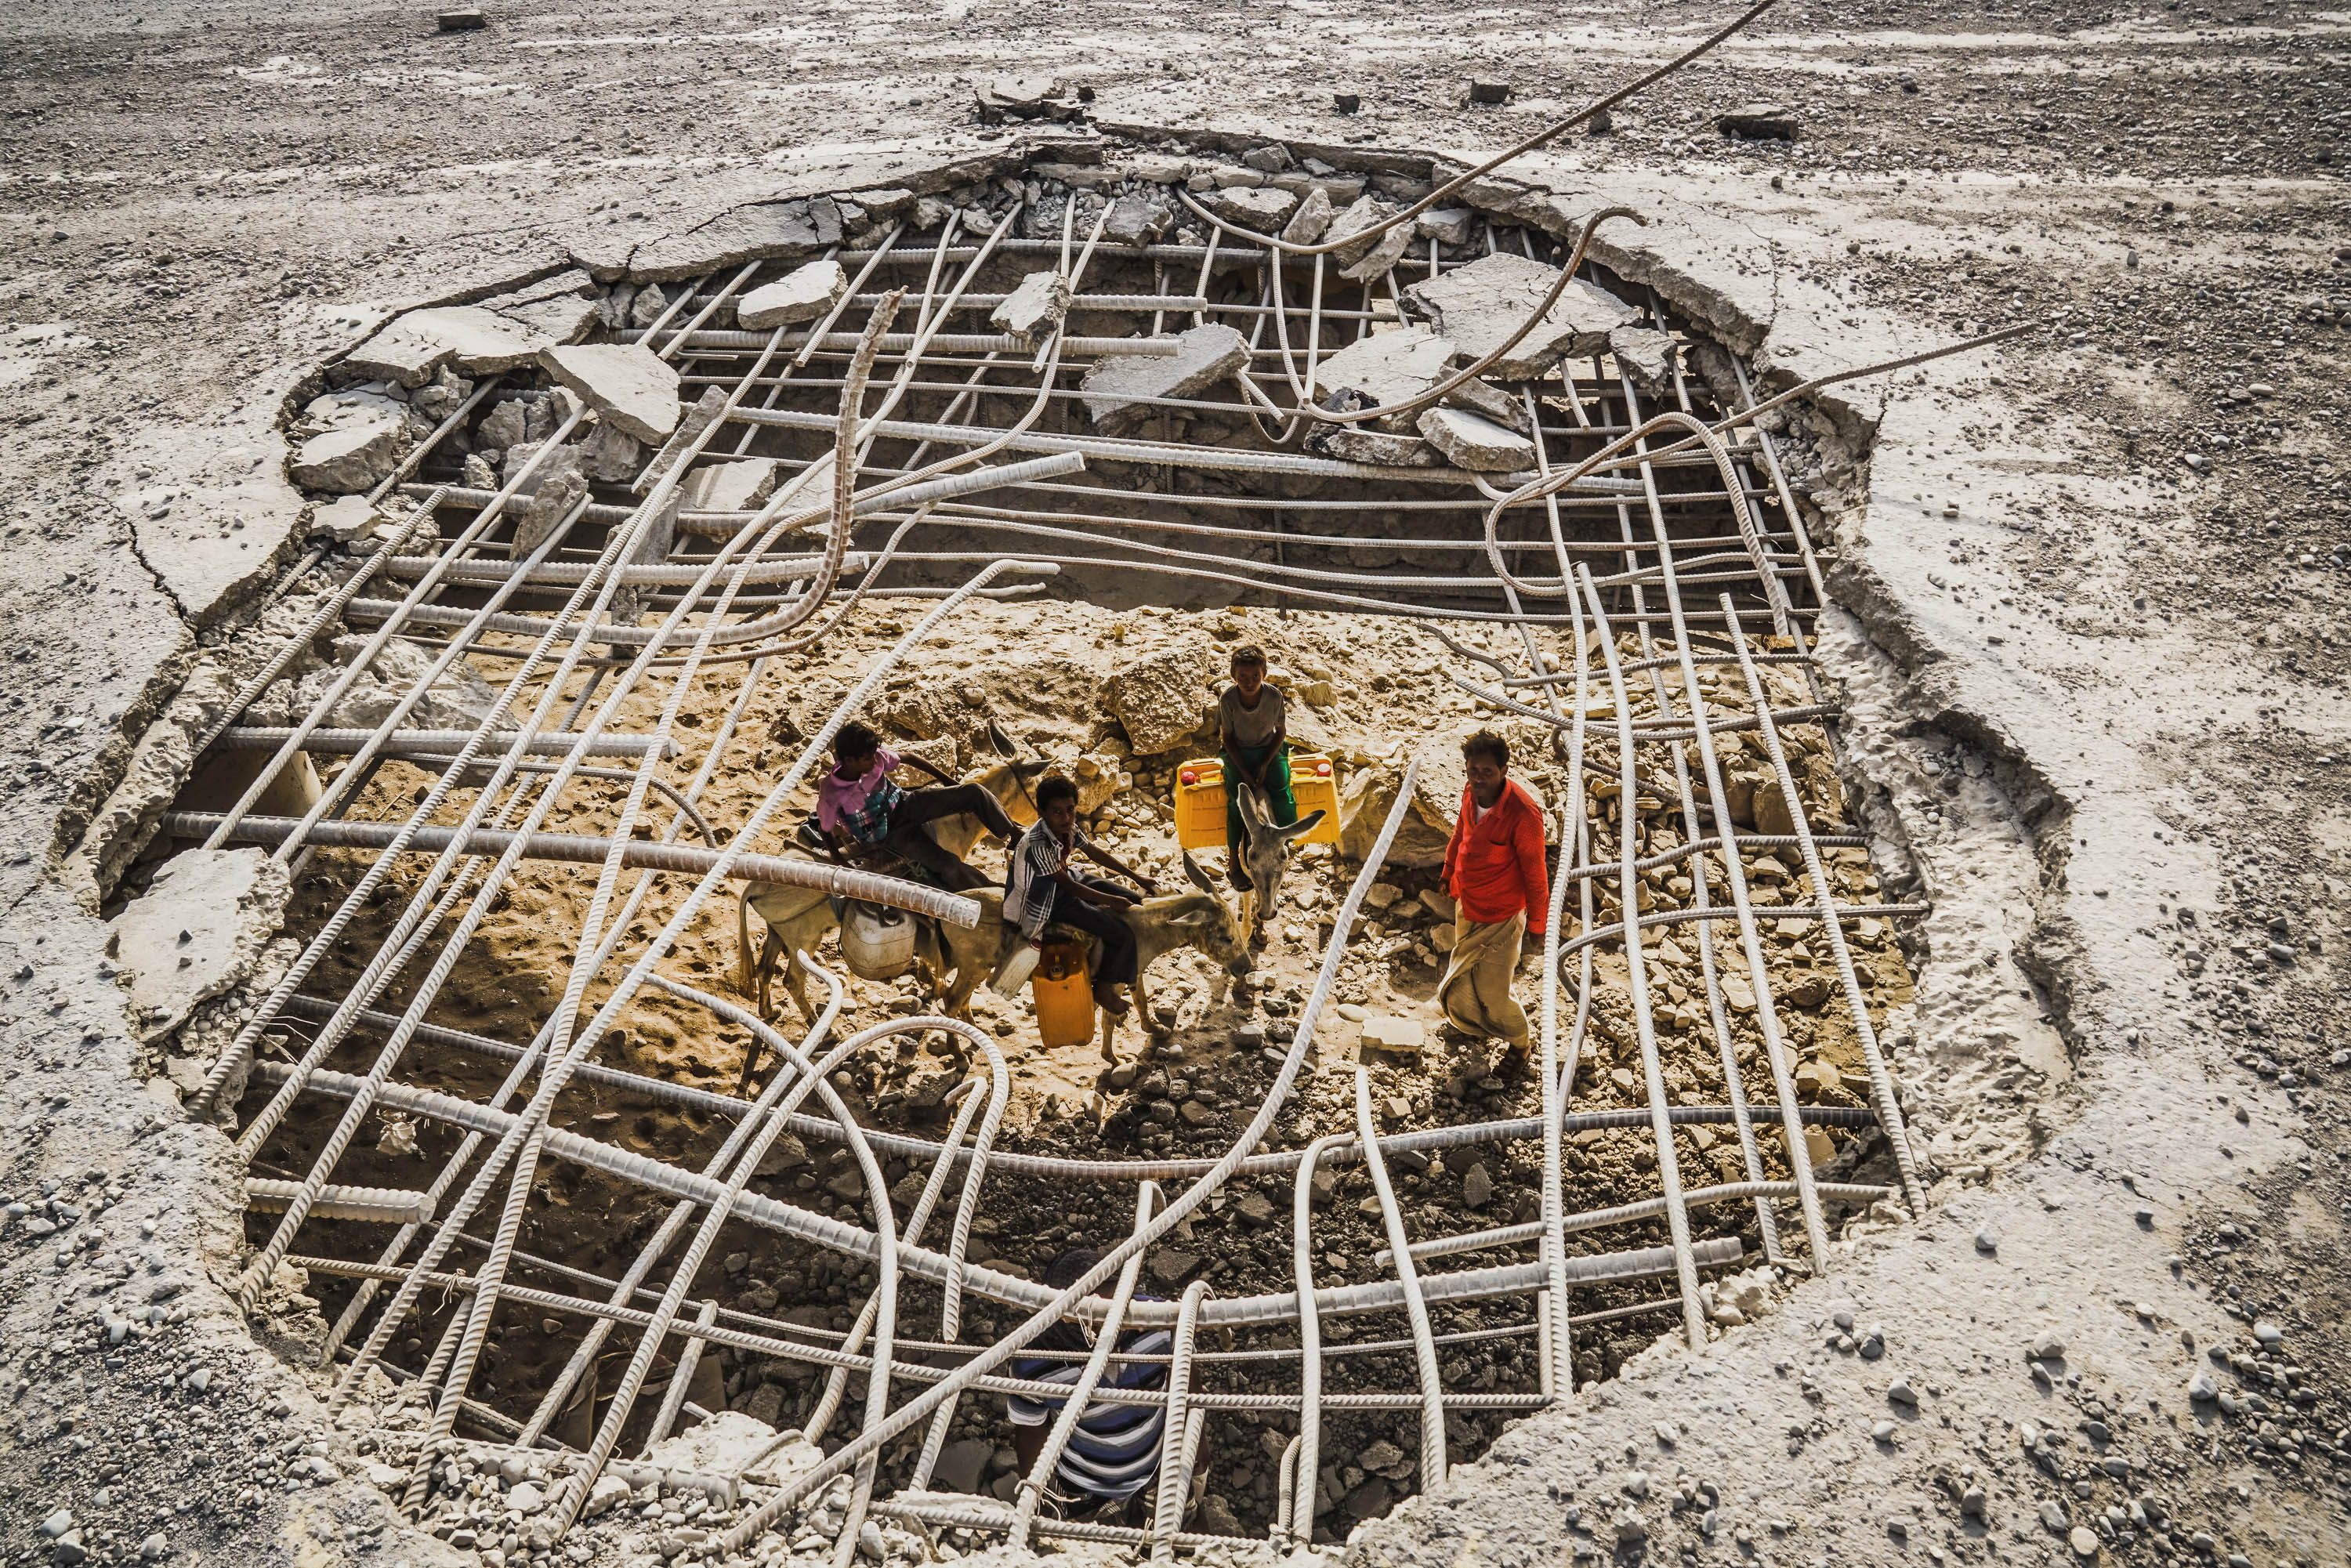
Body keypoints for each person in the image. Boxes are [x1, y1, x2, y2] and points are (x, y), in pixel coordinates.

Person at [1006, 1248, 1197, 1522]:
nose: (1108, 1326)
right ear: (1061, 1315)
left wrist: (1195, 1443)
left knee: (1185, 1535)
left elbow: (1187, 1368)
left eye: (1113, 1306)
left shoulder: (1156, 1322)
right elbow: (1030, 1433)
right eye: (1089, 1315)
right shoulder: (1036, 1364)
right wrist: (1038, 1496)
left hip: (1155, 1469)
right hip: (1080, 1484)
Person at [1437, 729, 1550, 1076]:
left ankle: (1520, 1044)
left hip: (1501, 916)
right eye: (1473, 771)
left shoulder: (1523, 813)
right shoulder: (1470, 794)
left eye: (1487, 772)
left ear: (1503, 770)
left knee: (1495, 991)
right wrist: (1447, 872)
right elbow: (1461, 833)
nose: (1479, 779)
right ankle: (1476, 1027)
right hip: (1468, 903)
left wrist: (1537, 927)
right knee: (1465, 975)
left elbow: (1536, 875)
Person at [1003, 774, 1158, 1016]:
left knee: (1136, 901)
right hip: (1046, 899)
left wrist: (1137, 878)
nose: (1066, 818)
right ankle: (1104, 990)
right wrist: (1110, 902)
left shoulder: (1068, 828)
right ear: (1041, 813)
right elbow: (1069, 888)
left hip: (1066, 880)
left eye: (1070, 810)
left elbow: (1094, 852)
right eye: (1057, 812)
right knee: (1122, 934)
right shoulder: (1037, 844)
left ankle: (1126, 965)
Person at [814, 722, 1019, 893]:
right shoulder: (831, 791)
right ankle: (985, 891)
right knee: (948, 865)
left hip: (905, 802)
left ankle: (1015, 834)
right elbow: (825, 830)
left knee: (973, 791)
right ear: (849, 760)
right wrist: (840, 862)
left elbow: (910, 758)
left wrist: (950, 782)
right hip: (888, 833)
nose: (874, 759)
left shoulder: (875, 758)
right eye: (867, 758)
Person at [1216, 645, 1295, 891]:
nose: (1249, 682)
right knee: (1235, 803)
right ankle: (1233, 861)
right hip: (1238, 752)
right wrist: (1245, 770)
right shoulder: (1228, 699)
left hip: (1269, 750)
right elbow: (1227, 739)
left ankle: (1285, 847)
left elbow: (1280, 732)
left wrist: (1264, 764)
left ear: (1264, 674)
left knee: (1283, 794)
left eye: (1255, 677)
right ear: (1233, 675)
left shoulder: (1274, 696)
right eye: (1242, 678)